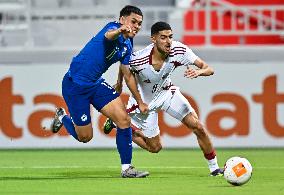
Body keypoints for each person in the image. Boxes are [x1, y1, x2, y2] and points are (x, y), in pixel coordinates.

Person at [103, 21, 224, 176]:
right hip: (145, 103)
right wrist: (119, 84)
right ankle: (117, 123)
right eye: (163, 37)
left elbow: (209, 68)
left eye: (170, 37)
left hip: (167, 93)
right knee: (155, 148)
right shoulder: (139, 59)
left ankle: (214, 169)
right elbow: (124, 66)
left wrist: (199, 72)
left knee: (198, 126)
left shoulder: (179, 50)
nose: (168, 41)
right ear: (153, 39)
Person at [50, 5, 149, 178]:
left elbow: (126, 72)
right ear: (122, 19)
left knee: (124, 120)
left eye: (140, 23)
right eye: (133, 22)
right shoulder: (112, 28)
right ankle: (62, 117)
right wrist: (120, 30)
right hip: (75, 85)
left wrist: (139, 100)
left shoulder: (128, 43)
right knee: (85, 137)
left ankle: (127, 169)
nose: (137, 26)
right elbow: (108, 35)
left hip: (95, 84)